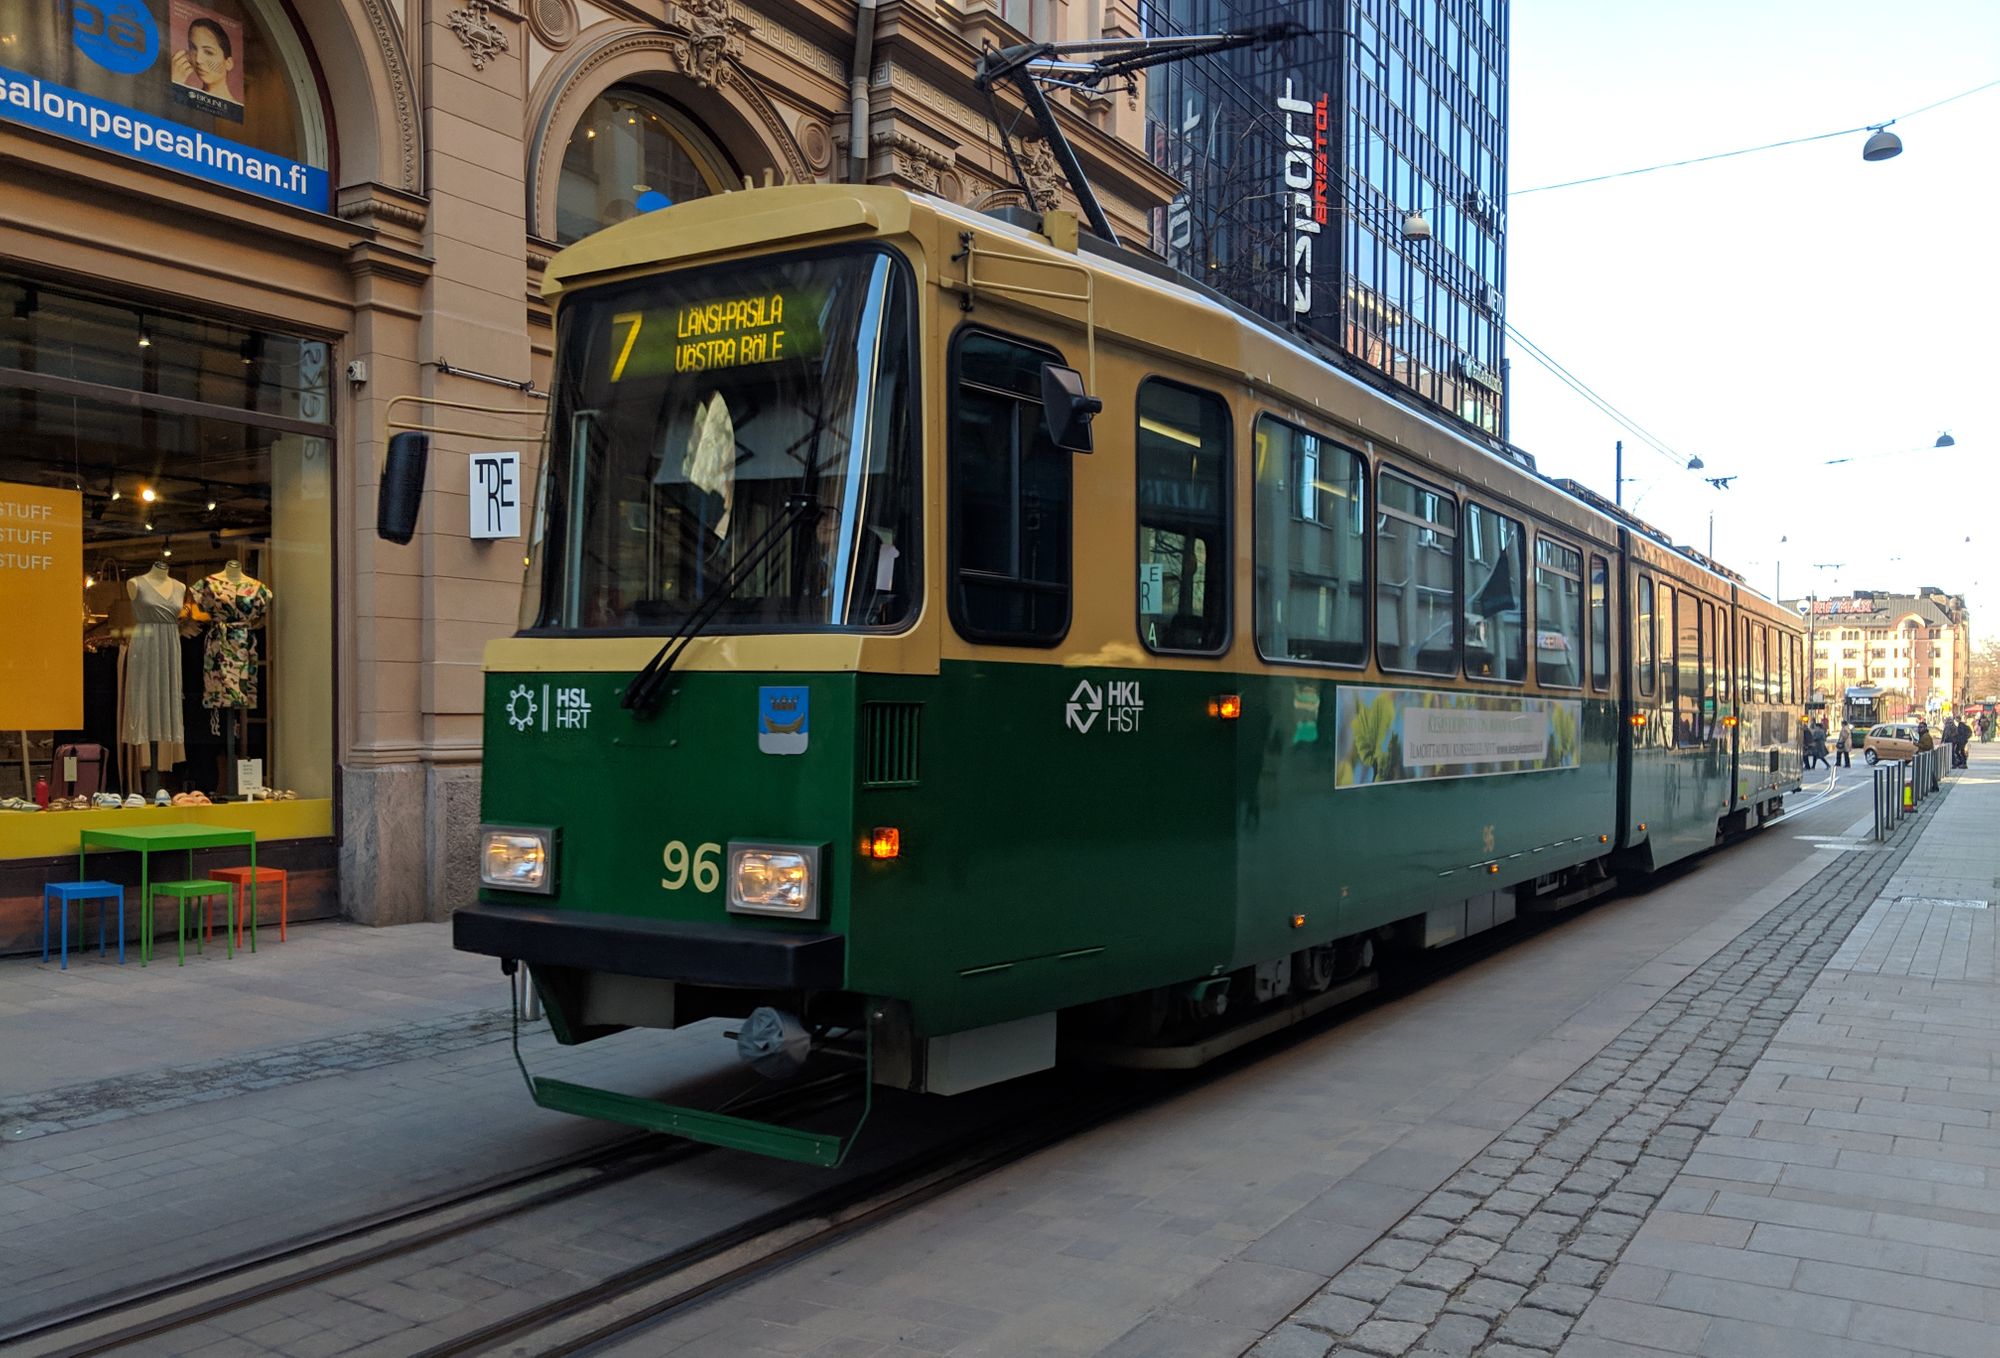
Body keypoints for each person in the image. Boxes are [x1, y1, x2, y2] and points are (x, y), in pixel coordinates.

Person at [171, 18, 238, 105]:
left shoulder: (236, 110)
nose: (198, 60)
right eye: (193, 48)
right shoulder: (185, 96)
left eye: (209, 52)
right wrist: (177, 83)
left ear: (228, 63)